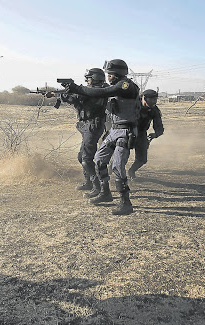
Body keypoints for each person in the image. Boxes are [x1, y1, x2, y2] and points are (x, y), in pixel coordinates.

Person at [66, 59, 140, 215]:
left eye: (110, 74)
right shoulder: (115, 87)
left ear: (118, 73)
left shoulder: (126, 86)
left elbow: (102, 92)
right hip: (114, 130)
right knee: (99, 159)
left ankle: (125, 202)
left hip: (125, 131)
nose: (108, 77)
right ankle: (105, 193)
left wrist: (79, 89)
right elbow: (98, 92)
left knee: (117, 166)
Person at [52, 68, 108, 197]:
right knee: (81, 157)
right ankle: (88, 182)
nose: (87, 81)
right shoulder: (96, 89)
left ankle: (97, 187)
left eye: (89, 78)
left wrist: (59, 95)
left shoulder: (94, 90)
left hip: (93, 125)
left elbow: (74, 98)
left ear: (94, 78)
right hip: (89, 125)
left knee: (87, 159)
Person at [127, 89, 164, 179]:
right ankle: (112, 168)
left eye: (155, 99)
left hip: (141, 134)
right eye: (151, 99)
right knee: (121, 154)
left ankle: (132, 171)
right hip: (127, 133)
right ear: (144, 98)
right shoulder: (132, 106)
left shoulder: (154, 110)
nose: (153, 102)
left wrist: (156, 134)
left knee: (142, 159)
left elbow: (159, 126)